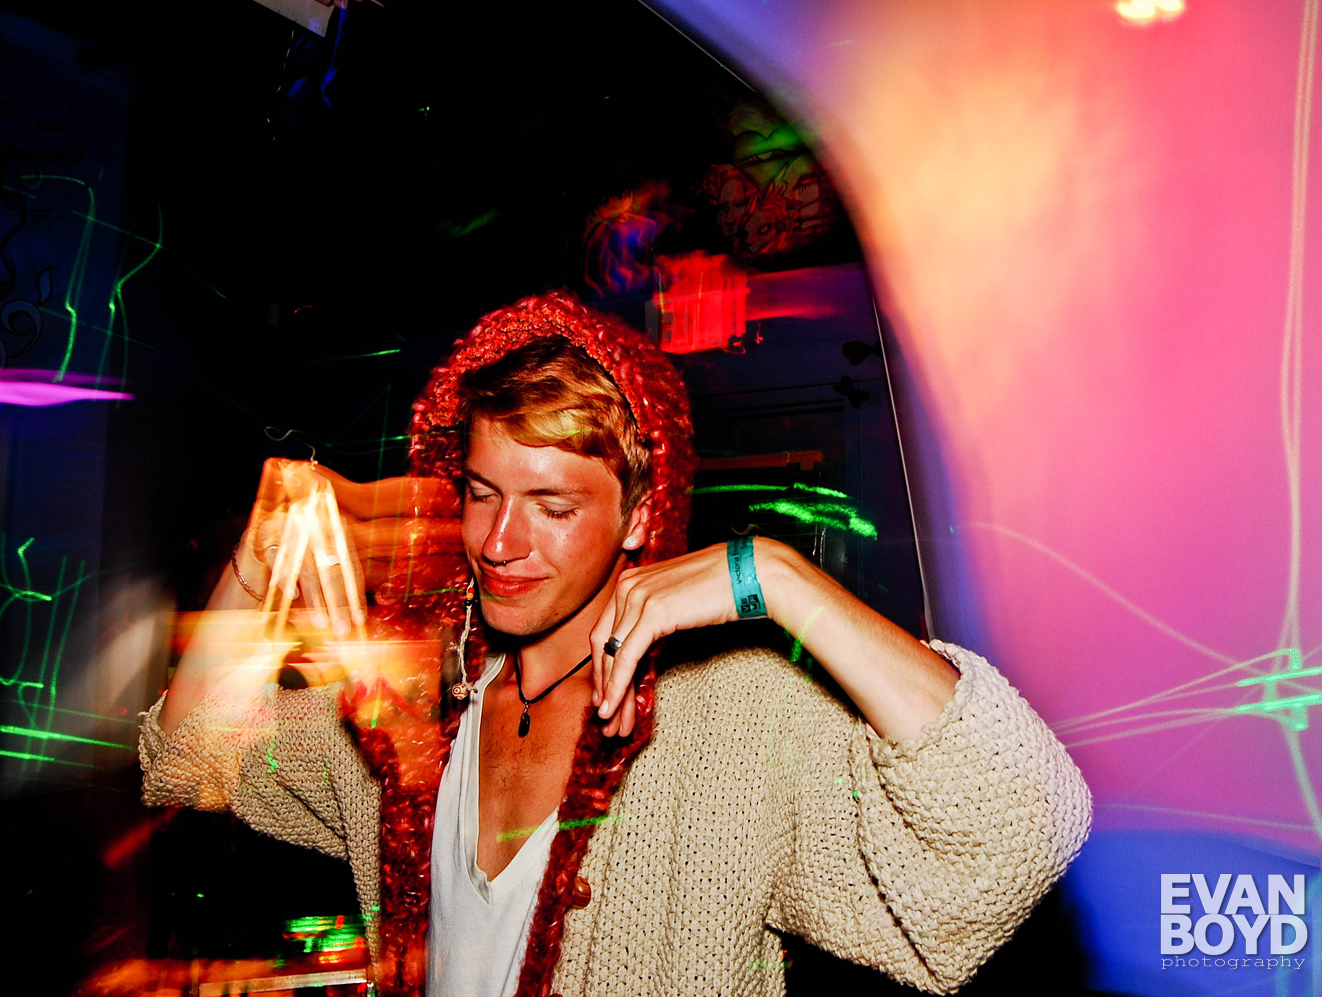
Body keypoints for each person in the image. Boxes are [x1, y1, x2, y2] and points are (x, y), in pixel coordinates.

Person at [139, 291, 1091, 997]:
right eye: (482, 493)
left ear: (639, 515)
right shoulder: (409, 716)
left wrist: (781, 579)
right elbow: (190, 755)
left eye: (551, 506)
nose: (499, 542)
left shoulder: (730, 717)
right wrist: (260, 557)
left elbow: (1018, 826)